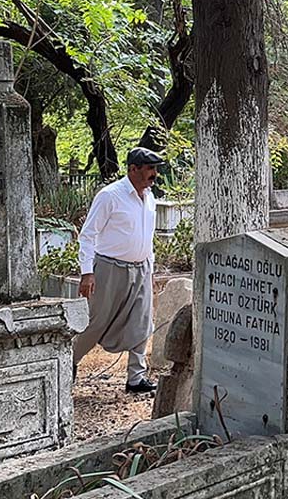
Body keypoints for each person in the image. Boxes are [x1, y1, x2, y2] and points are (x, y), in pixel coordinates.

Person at [73, 147, 163, 393]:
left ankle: (136, 378)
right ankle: (67, 363)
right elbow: (88, 235)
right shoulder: (110, 196)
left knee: (142, 323)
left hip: (142, 267)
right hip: (110, 268)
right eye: (149, 169)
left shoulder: (150, 198)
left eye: (155, 169)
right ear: (133, 169)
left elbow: (148, 236)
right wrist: (87, 272)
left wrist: (150, 269)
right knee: (96, 322)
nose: (154, 174)